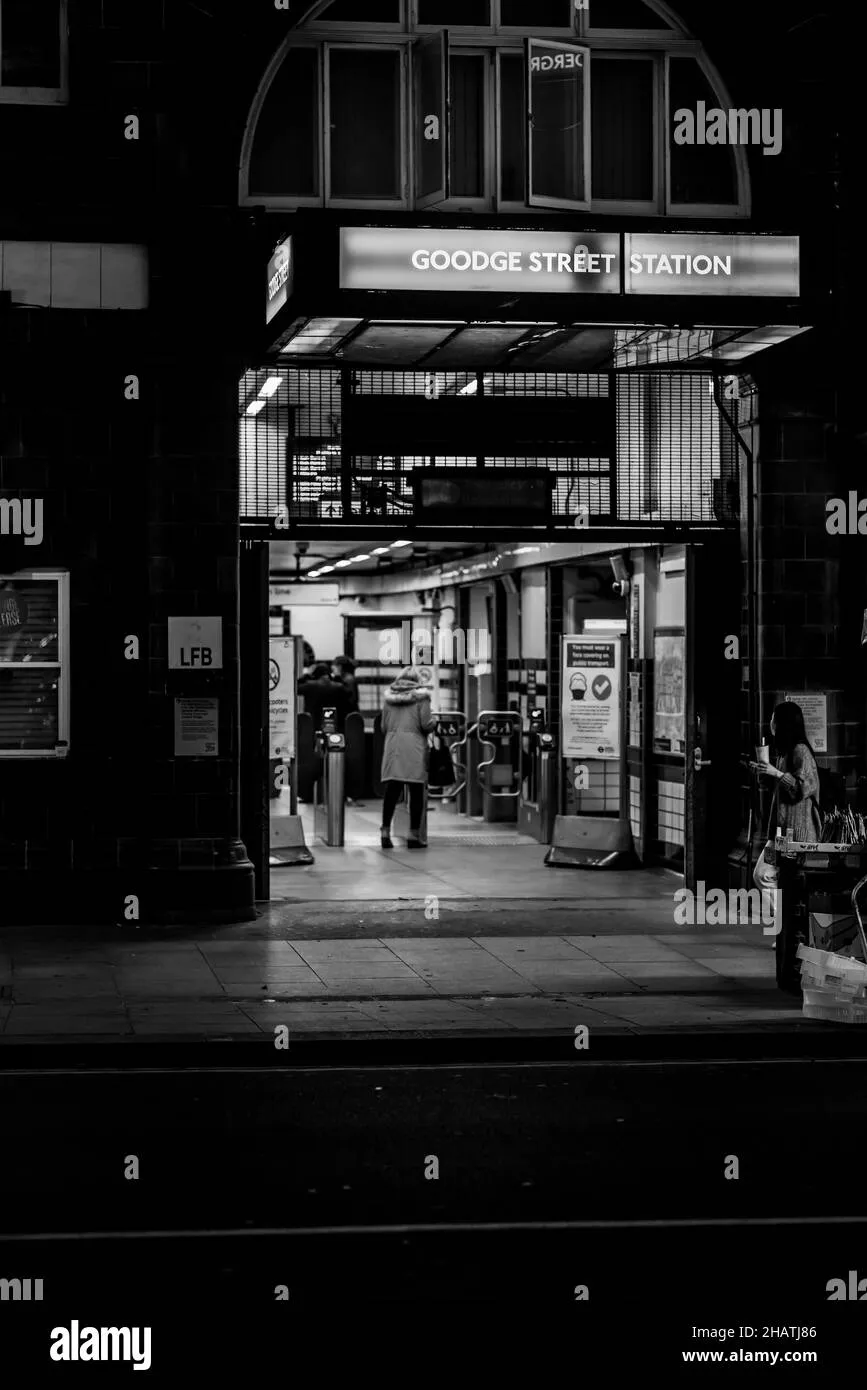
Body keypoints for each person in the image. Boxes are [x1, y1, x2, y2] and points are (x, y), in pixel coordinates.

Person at [752, 701, 822, 928]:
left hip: (796, 835)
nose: (770, 723)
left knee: (770, 876)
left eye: (773, 718)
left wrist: (776, 773)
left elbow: (803, 788)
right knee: (763, 874)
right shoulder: (785, 752)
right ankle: (784, 928)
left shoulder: (801, 750)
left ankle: (786, 929)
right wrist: (765, 772)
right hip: (781, 835)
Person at [379, 665, 436, 849]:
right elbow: (426, 724)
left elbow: (383, 726)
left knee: (392, 790)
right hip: (414, 747)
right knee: (416, 791)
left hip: (393, 746)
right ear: (417, 681)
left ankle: (385, 832)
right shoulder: (422, 698)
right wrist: (435, 721)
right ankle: (413, 836)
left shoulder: (389, 698)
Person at [297, 663, 349, 731]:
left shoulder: (309, 685)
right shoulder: (338, 687)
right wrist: (337, 677)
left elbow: (295, 688)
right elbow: (349, 693)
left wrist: (307, 674)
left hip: (313, 723)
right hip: (332, 722)